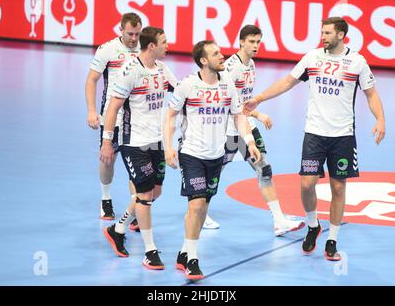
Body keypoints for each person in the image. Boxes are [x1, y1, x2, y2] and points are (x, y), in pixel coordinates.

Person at [244, 17, 385, 261]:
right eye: (322, 32)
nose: (324, 36)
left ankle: (333, 240)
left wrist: (380, 119)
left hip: (342, 136)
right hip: (315, 133)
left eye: (328, 33)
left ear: (341, 35)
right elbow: (288, 81)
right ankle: (313, 225)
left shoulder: (357, 62)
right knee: (307, 184)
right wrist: (260, 98)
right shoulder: (313, 58)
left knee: (338, 188)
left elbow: (371, 94)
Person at [164, 40, 261, 280]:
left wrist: (249, 141)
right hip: (191, 153)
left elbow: (238, 117)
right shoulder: (188, 85)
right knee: (196, 206)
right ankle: (193, 260)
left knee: (202, 206)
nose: (222, 55)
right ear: (203, 60)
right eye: (216, 53)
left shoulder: (227, 84)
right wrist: (167, 147)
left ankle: (183, 252)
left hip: (216, 156)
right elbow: (170, 115)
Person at [216, 24, 304, 236]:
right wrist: (259, 115)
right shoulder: (231, 68)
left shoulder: (251, 65)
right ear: (241, 42)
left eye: (258, 41)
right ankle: (199, 210)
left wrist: (253, 116)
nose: (256, 46)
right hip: (230, 129)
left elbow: (245, 100)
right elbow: (231, 104)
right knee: (214, 172)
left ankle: (279, 220)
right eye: (252, 42)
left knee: (264, 169)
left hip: (248, 127)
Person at [101, 26, 177, 270]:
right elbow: (113, 107)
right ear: (152, 46)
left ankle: (118, 228)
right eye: (164, 42)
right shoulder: (131, 70)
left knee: (155, 192)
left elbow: (181, 92)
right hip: (133, 142)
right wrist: (106, 141)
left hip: (156, 140)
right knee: (144, 195)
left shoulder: (163, 69)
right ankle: (150, 251)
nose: (168, 45)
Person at [85, 12, 141, 224]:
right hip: (113, 116)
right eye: (130, 34)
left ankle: (135, 207)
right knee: (108, 159)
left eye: (137, 34)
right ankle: (106, 198)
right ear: (121, 30)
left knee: (136, 163)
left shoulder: (144, 48)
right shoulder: (107, 49)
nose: (134, 39)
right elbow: (91, 80)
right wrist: (91, 111)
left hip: (138, 119)